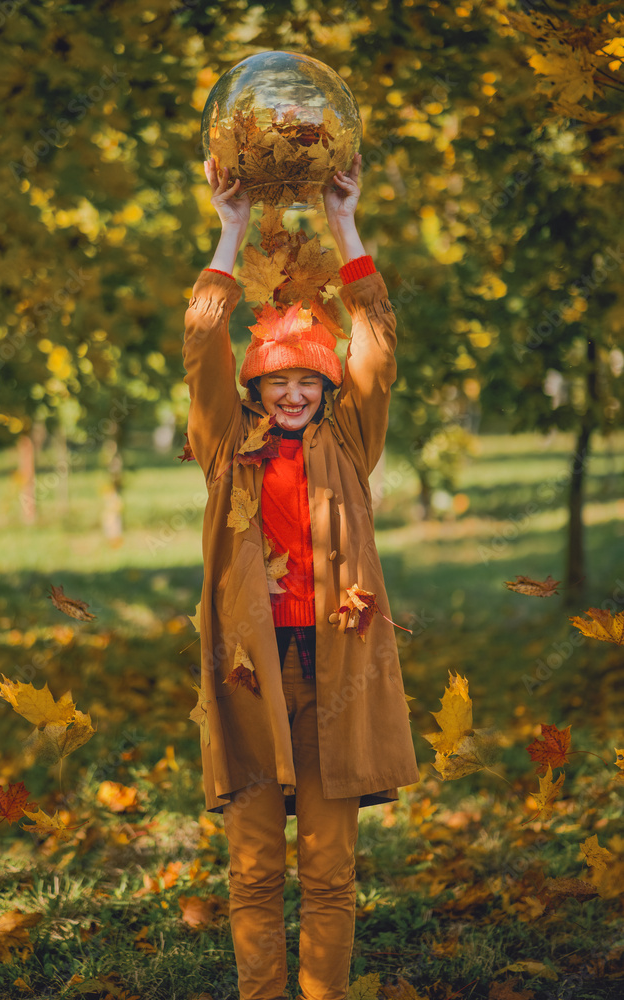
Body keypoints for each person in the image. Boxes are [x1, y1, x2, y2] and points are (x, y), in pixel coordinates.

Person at [182, 151, 419, 1000]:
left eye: (305, 380)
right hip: (250, 675)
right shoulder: (224, 449)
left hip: (337, 671)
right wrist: (230, 228)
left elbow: (377, 347)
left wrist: (346, 224)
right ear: (255, 389)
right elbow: (202, 339)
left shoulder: (348, 441)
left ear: (324, 386)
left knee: (328, 871)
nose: (290, 394)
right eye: (275, 381)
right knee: (252, 871)